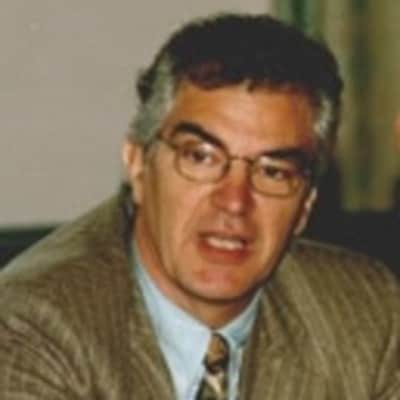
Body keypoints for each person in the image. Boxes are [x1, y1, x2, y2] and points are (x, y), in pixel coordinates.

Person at [0, 13, 399, 400]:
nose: (234, 202)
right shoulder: (32, 325)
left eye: (273, 172)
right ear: (138, 165)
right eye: (201, 158)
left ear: (306, 204)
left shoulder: (366, 314)